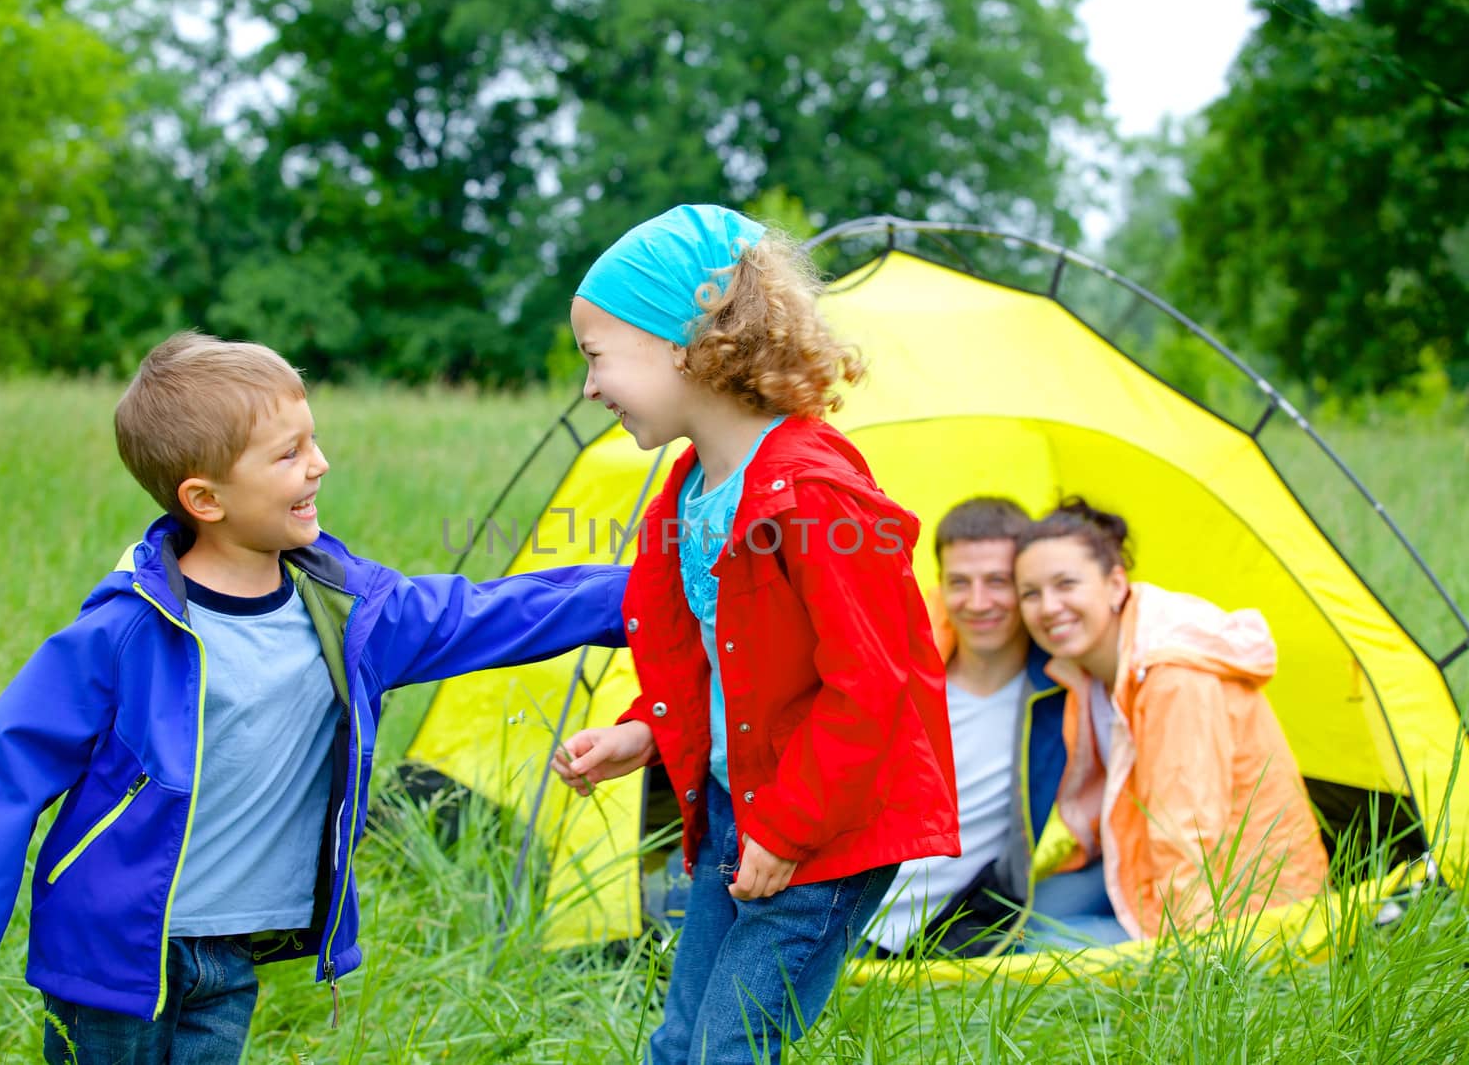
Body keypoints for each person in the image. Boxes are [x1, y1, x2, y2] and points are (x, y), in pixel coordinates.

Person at [0, 332, 630, 1064]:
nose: (318, 464)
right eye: (288, 455)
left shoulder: (350, 612)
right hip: (114, 948)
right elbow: (13, 754)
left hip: (232, 953)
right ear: (204, 497)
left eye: (311, 440)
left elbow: (490, 612)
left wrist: (645, 594)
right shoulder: (130, 626)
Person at [548, 203, 958, 1065]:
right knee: (680, 1038)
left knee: (728, 1046)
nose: (589, 387)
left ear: (685, 344)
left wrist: (788, 829)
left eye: (597, 356)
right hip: (743, 809)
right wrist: (644, 732)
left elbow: (871, 684)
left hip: (820, 828)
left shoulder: (812, 492)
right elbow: (717, 653)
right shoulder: (693, 487)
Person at [1012, 497, 1329, 944]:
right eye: (1031, 593)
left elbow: (1188, 829)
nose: (1048, 607)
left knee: (1034, 950)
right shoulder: (1085, 671)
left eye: (1066, 584)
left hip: (1239, 901)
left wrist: (1191, 956)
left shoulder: (1173, 679)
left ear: (1115, 585)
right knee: (1016, 921)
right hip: (1145, 854)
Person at [866, 496, 1068, 958]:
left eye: (997, 582)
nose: (978, 603)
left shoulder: (1062, 699)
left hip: (949, 939)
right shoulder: (902, 676)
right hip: (842, 916)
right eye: (960, 582)